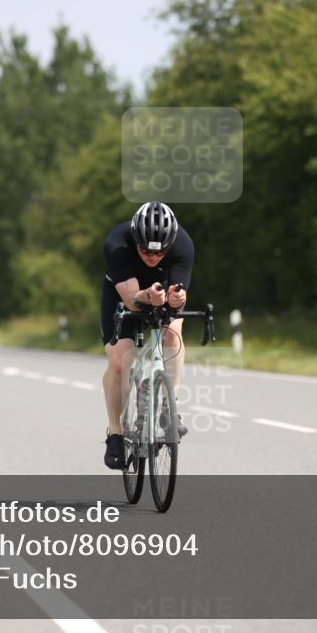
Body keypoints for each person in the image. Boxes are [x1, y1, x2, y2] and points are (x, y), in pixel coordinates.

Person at [101, 201, 193, 470]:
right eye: (145, 251)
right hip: (123, 293)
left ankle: (168, 407)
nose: (153, 258)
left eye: (161, 252)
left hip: (162, 290)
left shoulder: (183, 245)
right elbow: (131, 301)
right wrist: (145, 296)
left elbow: (177, 297)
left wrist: (177, 299)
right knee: (119, 362)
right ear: (136, 240)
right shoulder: (117, 244)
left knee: (173, 337)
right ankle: (115, 433)